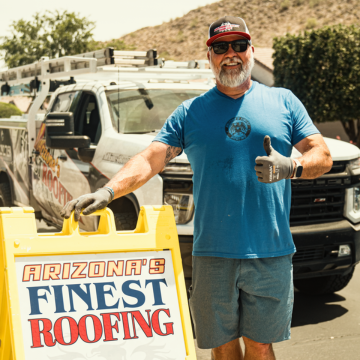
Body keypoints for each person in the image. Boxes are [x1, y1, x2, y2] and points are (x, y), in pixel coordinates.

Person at [61, 16, 333, 360]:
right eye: (221, 47)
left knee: (261, 345)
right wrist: (108, 191)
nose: (230, 54)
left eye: (238, 45)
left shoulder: (284, 101)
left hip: (270, 249)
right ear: (210, 56)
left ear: (251, 50)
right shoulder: (191, 112)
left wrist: (291, 166)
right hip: (212, 252)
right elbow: (151, 158)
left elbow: (321, 155)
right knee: (221, 345)